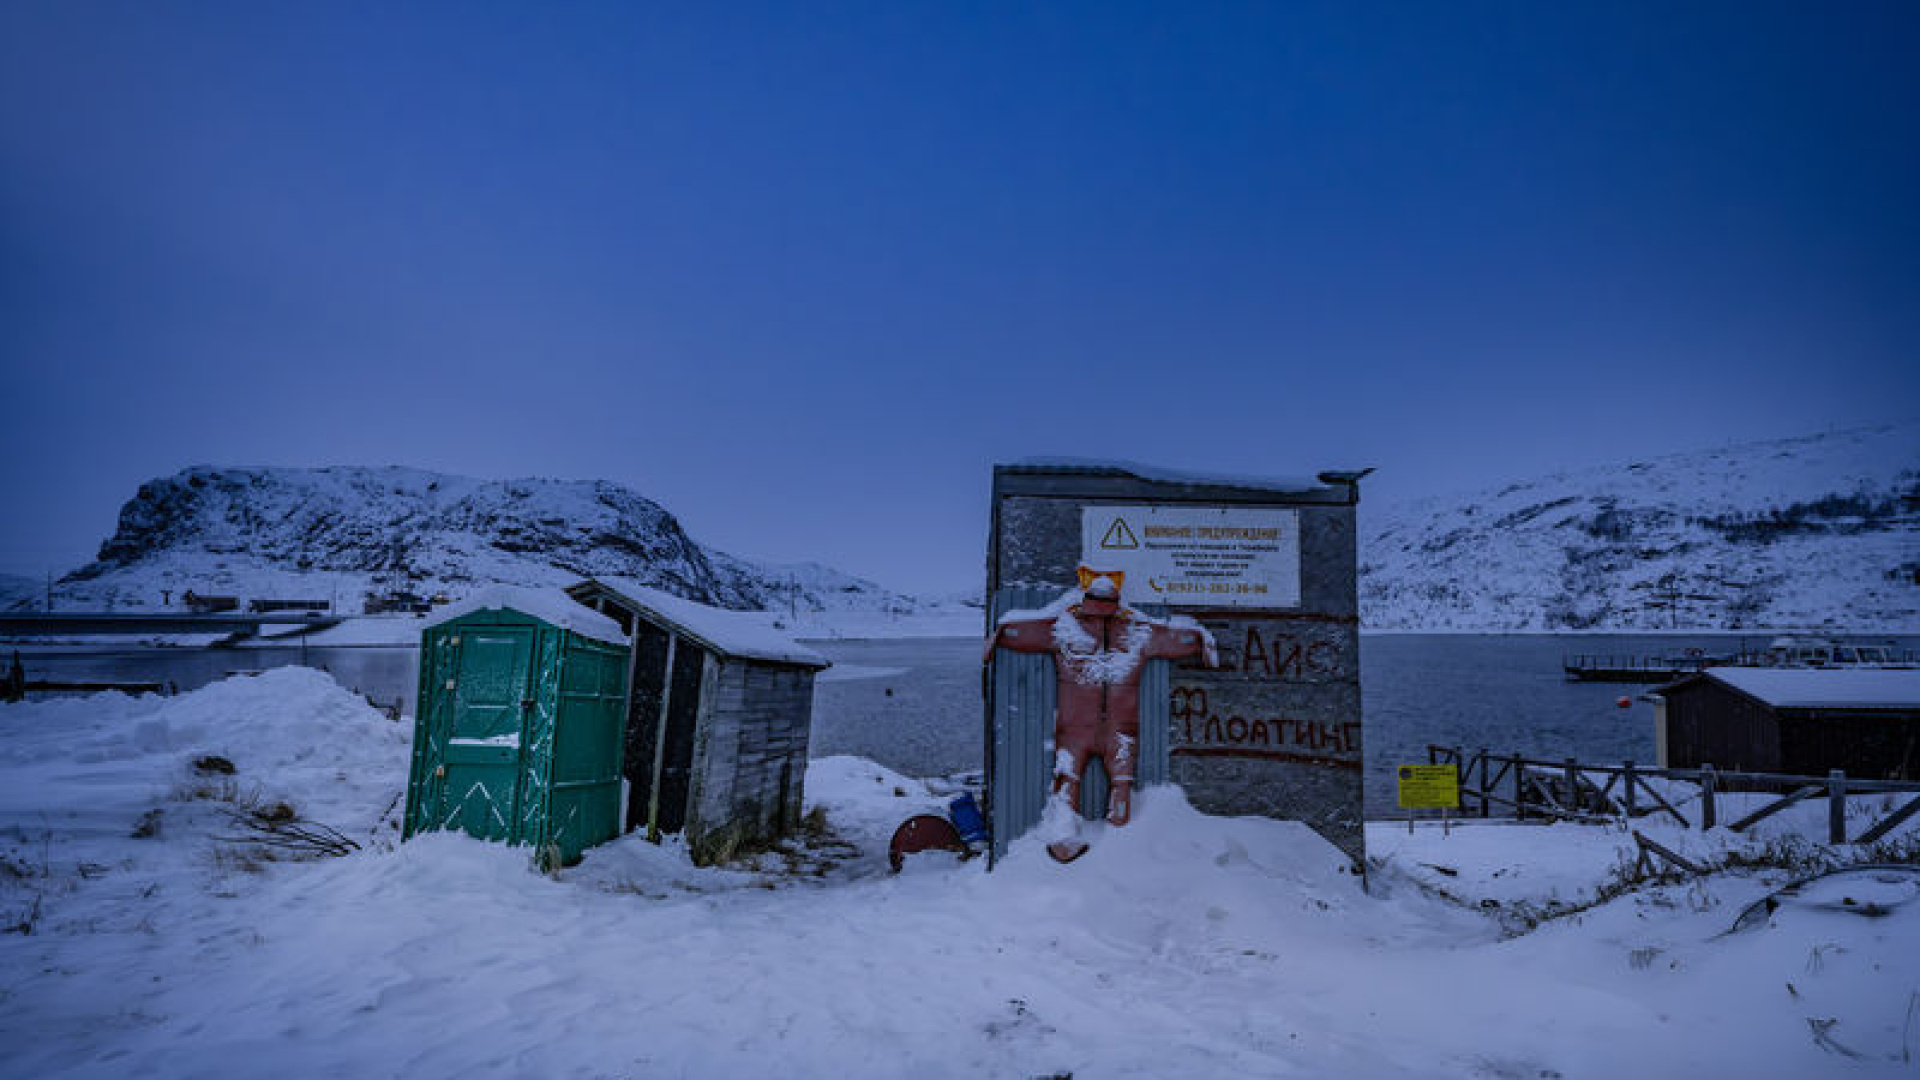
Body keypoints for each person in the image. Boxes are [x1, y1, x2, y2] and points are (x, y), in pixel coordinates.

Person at [985, 568, 1215, 861]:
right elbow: (1019, 632)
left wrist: (1200, 641)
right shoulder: (1078, 628)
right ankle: (1106, 843)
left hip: (1096, 728)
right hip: (1102, 728)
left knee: (1082, 781)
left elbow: (1018, 633)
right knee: (1103, 781)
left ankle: (1084, 842)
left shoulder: (1118, 631)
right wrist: (1202, 641)